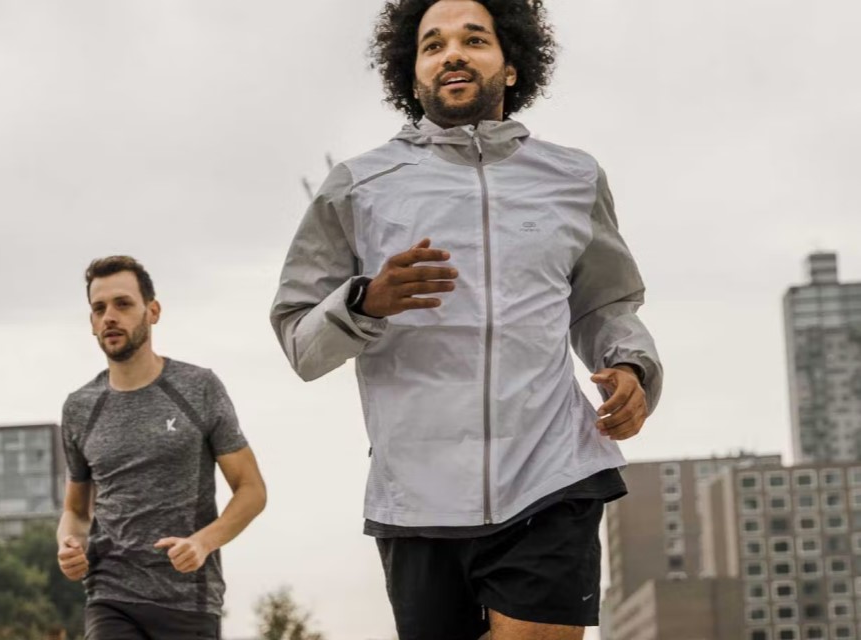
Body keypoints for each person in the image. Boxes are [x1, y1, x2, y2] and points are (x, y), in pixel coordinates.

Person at [271, 0, 662, 637]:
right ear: (413, 73)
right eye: (433, 45)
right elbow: (299, 339)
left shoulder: (572, 177)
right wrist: (364, 301)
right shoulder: (358, 186)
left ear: (510, 67)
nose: (452, 53)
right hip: (416, 491)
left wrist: (630, 365)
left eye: (474, 39)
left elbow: (603, 304)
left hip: (552, 471)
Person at [57, 256, 266, 640]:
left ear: (152, 311)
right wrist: (68, 544)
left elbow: (252, 490)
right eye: (99, 308)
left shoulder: (198, 388)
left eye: (123, 304)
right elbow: (75, 509)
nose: (109, 317)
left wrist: (204, 542)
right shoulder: (79, 407)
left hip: (188, 599)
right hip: (110, 595)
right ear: (91, 323)